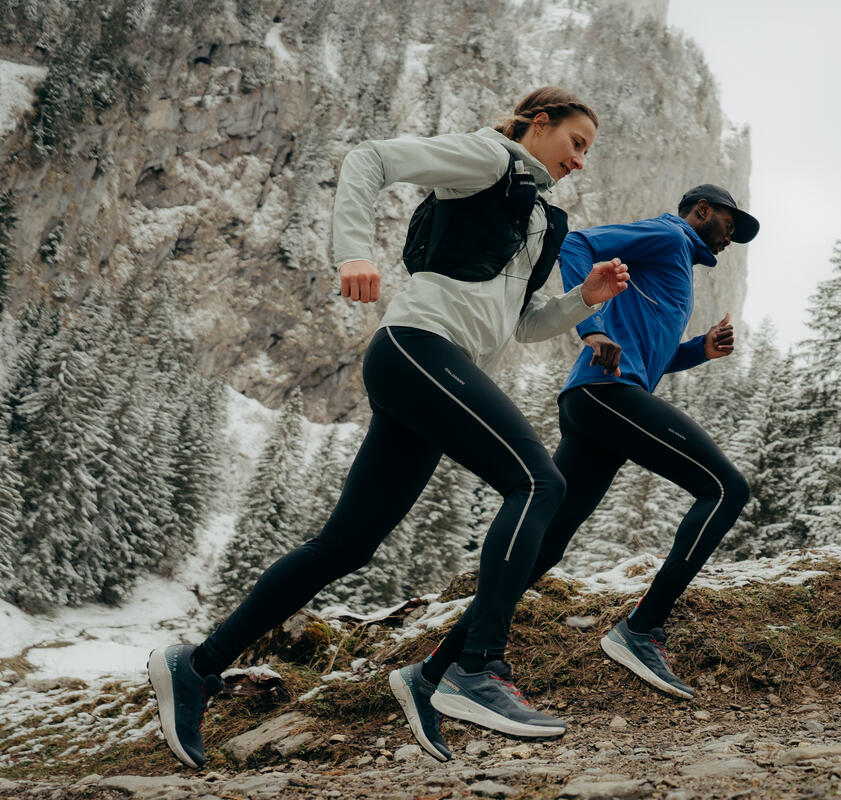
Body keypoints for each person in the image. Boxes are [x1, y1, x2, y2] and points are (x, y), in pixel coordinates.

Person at [148, 87, 629, 768]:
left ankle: (197, 666)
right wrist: (353, 252)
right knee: (539, 483)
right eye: (576, 143)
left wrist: (584, 300)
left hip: (439, 374)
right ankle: (474, 669)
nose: (580, 160)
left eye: (588, 153)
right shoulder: (490, 159)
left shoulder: (541, 217)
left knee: (344, 546)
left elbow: (520, 324)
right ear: (539, 123)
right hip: (417, 347)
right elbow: (369, 158)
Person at [415, 184, 758, 711]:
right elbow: (577, 244)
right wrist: (591, 328)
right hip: (605, 395)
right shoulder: (669, 235)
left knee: (546, 545)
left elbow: (648, 354)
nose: (731, 236)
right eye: (730, 224)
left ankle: (434, 672)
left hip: (600, 405)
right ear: (703, 210)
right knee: (726, 488)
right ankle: (641, 629)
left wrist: (699, 351)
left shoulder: (676, 265)